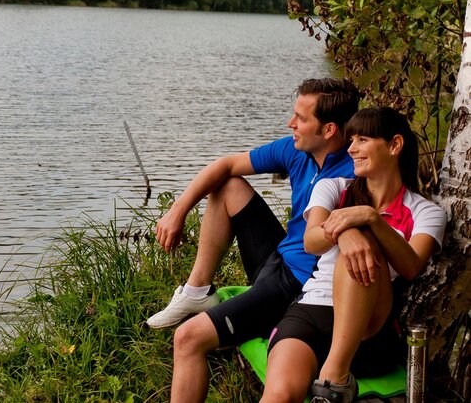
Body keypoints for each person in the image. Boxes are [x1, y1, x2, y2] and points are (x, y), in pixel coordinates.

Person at [146, 77, 361, 403]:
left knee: (187, 338)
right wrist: (177, 211)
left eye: (301, 118)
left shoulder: (356, 171)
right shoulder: (297, 150)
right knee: (228, 183)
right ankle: (197, 292)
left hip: (298, 284)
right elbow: (226, 164)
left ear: (329, 129)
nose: (291, 123)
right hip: (279, 257)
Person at [261, 107, 446, 403]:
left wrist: (370, 219)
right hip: (312, 310)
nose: (351, 149)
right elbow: (311, 241)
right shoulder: (334, 188)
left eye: (362, 140)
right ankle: (331, 381)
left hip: (370, 330)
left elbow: (411, 266)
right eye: (351, 140)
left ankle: (335, 377)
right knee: (280, 395)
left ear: (395, 145)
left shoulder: (426, 212)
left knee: (365, 244)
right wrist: (346, 231)